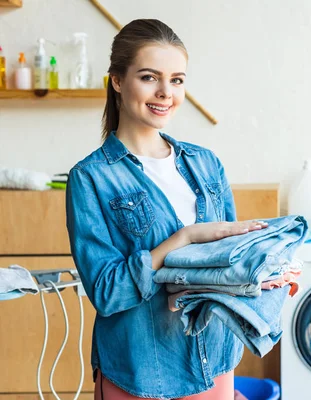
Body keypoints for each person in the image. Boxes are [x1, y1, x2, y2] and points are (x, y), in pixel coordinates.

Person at [65, 19, 266, 400]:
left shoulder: (207, 164)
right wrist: (182, 239)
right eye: (149, 77)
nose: (165, 93)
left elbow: (228, 265)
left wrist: (268, 270)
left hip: (215, 362)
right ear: (118, 81)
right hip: (140, 372)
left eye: (176, 80)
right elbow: (107, 293)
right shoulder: (91, 178)